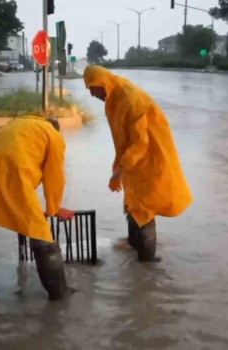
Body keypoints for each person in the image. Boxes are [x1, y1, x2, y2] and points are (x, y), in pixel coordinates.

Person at [83, 65, 193, 262]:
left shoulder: (130, 98)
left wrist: (120, 171)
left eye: (92, 89)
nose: (92, 95)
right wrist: (120, 166)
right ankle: (134, 250)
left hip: (149, 159)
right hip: (133, 162)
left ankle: (147, 265)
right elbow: (123, 139)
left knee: (144, 208)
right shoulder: (113, 97)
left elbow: (140, 143)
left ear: (102, 83)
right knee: (133, 203)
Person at [0, 115, 75, 300]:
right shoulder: (53, 136)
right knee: (39, 231)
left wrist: (26, 205)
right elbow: (55, 177)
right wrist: (54, 209)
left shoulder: (20, 124)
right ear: (56, 128)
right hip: (12, 167)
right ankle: (60, 294)